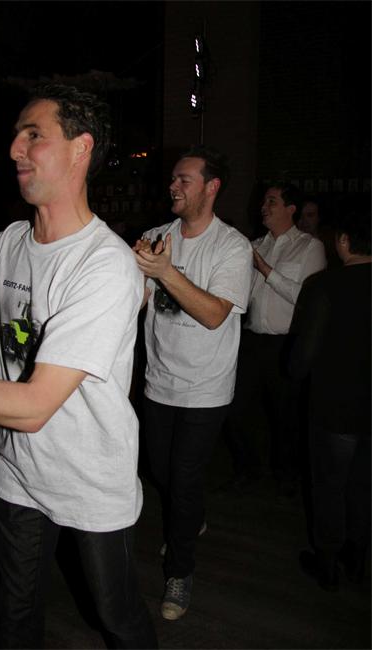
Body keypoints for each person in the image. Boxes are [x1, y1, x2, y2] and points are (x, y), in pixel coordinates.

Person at [0, 83, 157, 649]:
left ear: (81, 149)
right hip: (19, 471)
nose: (15, 149)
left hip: (91, 478)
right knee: (13, 615)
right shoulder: (10, 242)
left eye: (34, 135)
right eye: (16, 135)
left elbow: (34, 406)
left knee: (117, 618)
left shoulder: (104, 265)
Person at [133, 145, 253, 621]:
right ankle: (192, 517)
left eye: (184, 180)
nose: (173, 186)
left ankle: (179, 572)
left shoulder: (232, 246)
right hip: (157, 380)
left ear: (211, 187)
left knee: (183, 479)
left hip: (206, 387)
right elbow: (137, 302)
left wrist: (165, 272)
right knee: (161, 471)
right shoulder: (155, 237)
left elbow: (214, 313)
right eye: (173, 179)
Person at [227, 182, 327, 498]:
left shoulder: (309, 247)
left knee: (286, 416)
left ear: (291, 209)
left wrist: (265, 269)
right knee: (233, 408)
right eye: (264, 201)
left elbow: (306, 299)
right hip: (252, 341)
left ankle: (286, 475)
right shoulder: (255, 244)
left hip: (287, 343)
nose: (264, 206)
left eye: (272, 201)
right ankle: (248, 468)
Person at [288, 211, 371, 591]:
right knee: (363, 486)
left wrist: (293, 372)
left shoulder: (325, 285)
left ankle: (327, 565)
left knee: (329, 487)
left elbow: (303, 357)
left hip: (335, 406)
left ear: (343, 241)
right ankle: (358, 559)